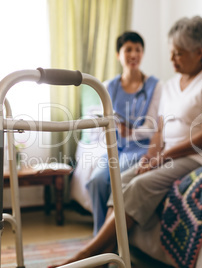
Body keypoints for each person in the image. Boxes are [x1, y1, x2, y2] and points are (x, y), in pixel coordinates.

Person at [52, 15, 202, 267]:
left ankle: (86, 256)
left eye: (179, 53)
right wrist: (152, 154)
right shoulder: (171, 85)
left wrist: (163, 156)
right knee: (124, 180)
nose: (172, 59)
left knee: (140, 186)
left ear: (200, 51)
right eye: (171, 52)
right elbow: (160, 129)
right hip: (171, 153)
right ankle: (109, 253)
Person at [86, 31, 162, 235]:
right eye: (128, 49)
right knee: (96, 181)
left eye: (138, 50)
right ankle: (100, 236)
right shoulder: (109, 86)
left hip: (141, 149)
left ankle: (108, 241)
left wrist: (129, 133)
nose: (134, 54)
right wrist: (109, 129)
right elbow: (99, 126)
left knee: (115, 177)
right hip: (115, 149)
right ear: (118, 54)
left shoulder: (154, 86)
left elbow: (151, 127)